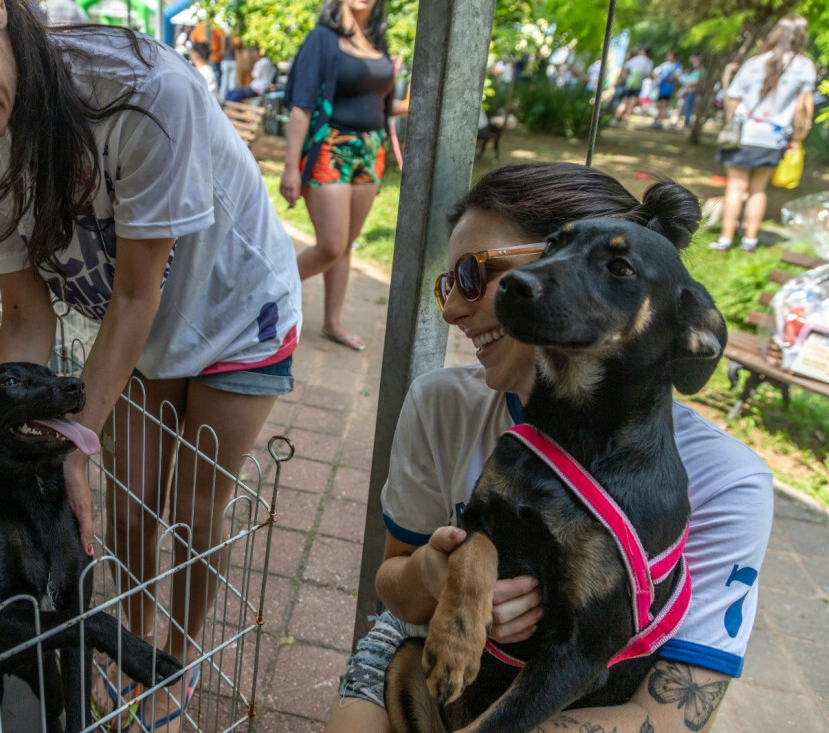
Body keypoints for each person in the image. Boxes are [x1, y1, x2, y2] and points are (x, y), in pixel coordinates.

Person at [0, 2, 302, 731]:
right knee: (130, 507)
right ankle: (126, 645)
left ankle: (178, 658)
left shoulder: (141, 94)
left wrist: (75, 442)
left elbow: (139, 292)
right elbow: (25, 316)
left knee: (199, 511)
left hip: (233, 312)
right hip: (135, 325)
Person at [322, 161, 774, 732]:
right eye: (447, 282)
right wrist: (436, 578)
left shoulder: (728, 480)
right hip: (425, 645)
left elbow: (667, 717)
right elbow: (393, 584)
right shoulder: (441, 402)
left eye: (475, 274)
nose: (451, 310)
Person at [280, 0, 407, 352]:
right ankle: (263, 290)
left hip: (371, 151)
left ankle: (332, 322)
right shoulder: (322, 39)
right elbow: (301, 106)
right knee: (331, 246)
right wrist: (291, 167)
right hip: (331, 147)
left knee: (344, 246)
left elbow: (382, 105)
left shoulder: (377, 41)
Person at [709, 14, 816, 253]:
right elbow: (804, 108)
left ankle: (725, 240)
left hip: (746, 132)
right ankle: (750, 240)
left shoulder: (755, 62)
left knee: (736, 187)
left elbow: (733, 101)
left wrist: (731, 126)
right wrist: (797, 139)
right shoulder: (805, 67)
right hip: (774, 136)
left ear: (775, 33)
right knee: (758, 190)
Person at [614, 47, 652, 123]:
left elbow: (625, 67)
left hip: (629, 83)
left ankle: (616, 118)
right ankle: (625, 119)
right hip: (638, 84)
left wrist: (628, 76)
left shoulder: (635, 59)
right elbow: (647, 74)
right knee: (632, 102)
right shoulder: (648, 62)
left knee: (624, 101)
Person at [652, 50, 682, 128]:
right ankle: (656, 120)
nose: (669, 57)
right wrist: (658, 79)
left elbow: (677, 75)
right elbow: (655, 72)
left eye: (670, 55)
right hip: (660, 88)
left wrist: (671, 77)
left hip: (668, 88)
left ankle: (660, 122)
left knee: (664, 105)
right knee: (658, 105)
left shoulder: (677, 66)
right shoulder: (664, 65)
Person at [678, 53, 702, 130]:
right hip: (687, 92)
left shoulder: (700, 70)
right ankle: (686, 124)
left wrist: (687, 82)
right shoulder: (691, 70)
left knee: (689, 109)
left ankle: (688, 125)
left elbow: (697, 81)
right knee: (686, 108)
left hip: (693, 92)